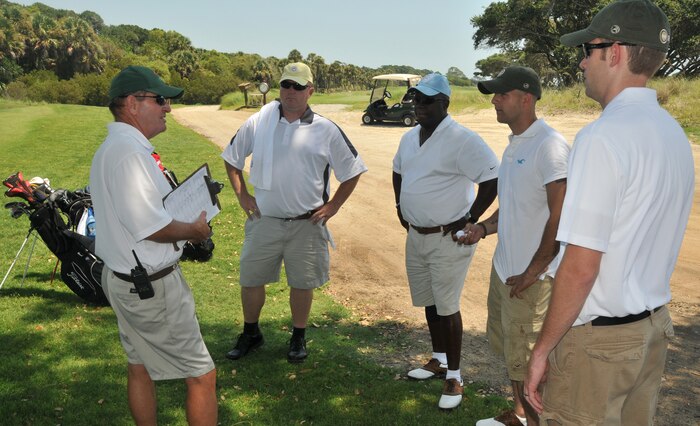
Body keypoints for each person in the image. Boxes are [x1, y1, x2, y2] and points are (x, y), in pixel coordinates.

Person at [523, 1, 695, 424]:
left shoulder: (603, 137)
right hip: (650, 332)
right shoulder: (671, 131)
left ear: (614, 53)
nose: (582, 63)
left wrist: (543, 348)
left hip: (600, 346)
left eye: (588, 50)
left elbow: (582, 265)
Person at [90, 65, 217, 425]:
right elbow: (150, 227)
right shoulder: (129, 154)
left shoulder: (118, 147)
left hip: (126, 279)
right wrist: (194, 230)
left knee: (140, 367)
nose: (168, 108)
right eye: (160, 100)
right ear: (133, 103)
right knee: (202, 376)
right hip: (151, 287)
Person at [222, 62, 367, 364]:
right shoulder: (259, 121)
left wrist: (334, 205)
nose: (291, 91)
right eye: (286, 85)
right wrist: (242, 195)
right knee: (251, 279)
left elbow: (352, 170)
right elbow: (232, 158)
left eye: (298, 86)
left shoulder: (325, 129)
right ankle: (251, 333)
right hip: (265, 220)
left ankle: (298, 336)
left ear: (310, 91)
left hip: (306, 223)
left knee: (302, 283)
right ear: (280, 88)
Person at [467, 66, 569, 426]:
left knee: (531, 361)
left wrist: (533, 270)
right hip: (506, 272)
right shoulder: (514, 145)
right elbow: (512, 206)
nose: (494, 100)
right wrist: (483, 228)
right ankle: (521, 414)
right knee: (513, 353)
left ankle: (537, 419)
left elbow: (561, 216)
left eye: (501, 94)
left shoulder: (550, 146)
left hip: (533, 279)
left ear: (526, 99)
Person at [392, 73, 499, 410]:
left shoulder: (462, 139)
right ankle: (438, 359)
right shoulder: (409, 138)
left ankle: (455, 374)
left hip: (447, 238)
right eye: (415, 100)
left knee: (447, 305)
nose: (418, 106)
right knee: (430, 300)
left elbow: (492, 179)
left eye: (426, 101)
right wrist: (400, 206)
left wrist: (469, 218)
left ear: (444, 103)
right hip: (417, 235)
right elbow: (397, 171)